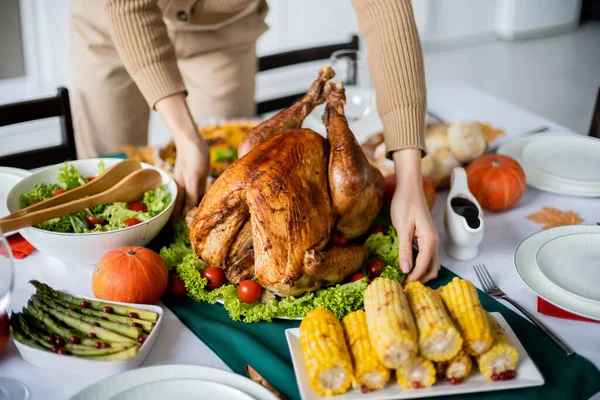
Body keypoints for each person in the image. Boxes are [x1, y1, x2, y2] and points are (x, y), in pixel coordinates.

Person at [69, 0, 440, 284]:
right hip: (116, 22)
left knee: (240, 160)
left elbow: (385, 10)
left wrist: (409, 178)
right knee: (109, 187)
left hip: (223, 26)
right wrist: (185, 135)